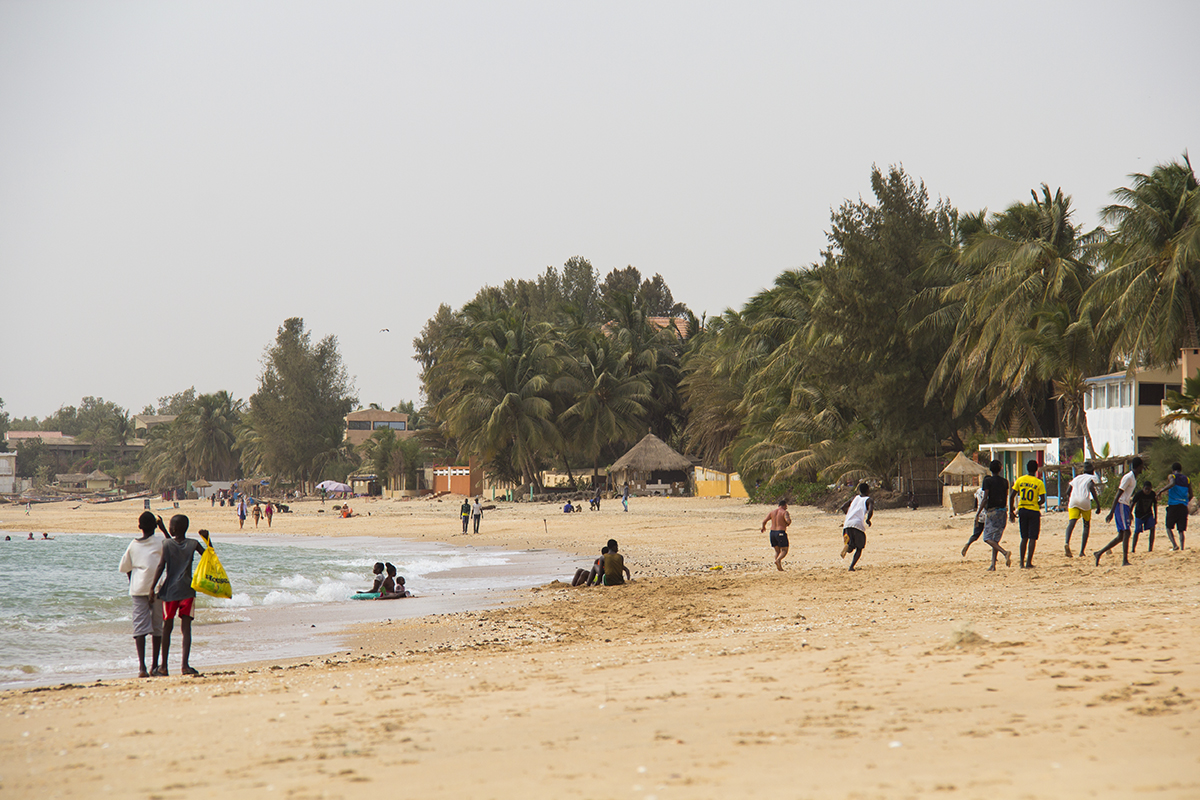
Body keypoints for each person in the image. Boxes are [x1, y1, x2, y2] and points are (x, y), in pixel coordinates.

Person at [152, 516, 206, 676]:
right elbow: (210, 557)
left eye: (170, 526)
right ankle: (184, 665)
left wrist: (151, 588)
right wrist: (207, 539)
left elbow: (161, 566)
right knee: (186, 629)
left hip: (169, 592)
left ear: (173, 528)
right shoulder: (193, 544)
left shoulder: (166, 544)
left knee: (166, 628)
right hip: (188, 591)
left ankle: (164, 666)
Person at [119, 511, 167, 678]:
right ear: (155, 526)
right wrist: (164, 528)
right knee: (156, 628)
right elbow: (174, 545)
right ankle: (154, 666)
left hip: (138, 590)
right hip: (158, 589)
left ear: (139, 527)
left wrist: (133, 582)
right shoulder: (161, 541)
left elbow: (126, 568)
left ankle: (142, 667)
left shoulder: (133, 545)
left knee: (140, 627)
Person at [1097, 457, 1143, 566]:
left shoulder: (1133, 478)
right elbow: (1118, 494)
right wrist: (1112, 512)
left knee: (1121, 536)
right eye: (1141, 466)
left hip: (1125, 506)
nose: (1142, 468)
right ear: (1138, 466)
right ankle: (1125, 560)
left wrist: (1129, 511)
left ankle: (1099, 553)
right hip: (1121, 505)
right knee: (1126, 532)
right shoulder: (1128, 477)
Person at [1009, 459, 1046, 569]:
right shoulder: (1039, 482)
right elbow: (1043, 499)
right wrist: (1036, 503)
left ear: (1026, 468)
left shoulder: (1020, 480)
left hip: (1022, 510)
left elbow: (1012, 496)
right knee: (1032, 538)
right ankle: (1028, 562)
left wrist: (1011, 511)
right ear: (1036, 469)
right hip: (1033, 511)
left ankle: (1021, 562)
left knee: (1024, 537)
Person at [979, 460, 1012, 571]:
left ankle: (1004, 552)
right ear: (1000, 468)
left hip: (992, 512)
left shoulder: (987, 481)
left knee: (987, 538)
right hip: (1003, 511)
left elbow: (985, 498)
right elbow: (1006, 497)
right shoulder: (1005, 481)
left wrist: (978, 512)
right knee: (995, 540)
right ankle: (993, 564)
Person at [1064, 462, 1101, 558]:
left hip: (1073, 501)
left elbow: (1068, 491)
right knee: (1086, 525)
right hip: (1084, 500)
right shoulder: (1092, 477)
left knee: (1071, 522)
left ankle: (1067, 542)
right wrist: (1097, 504)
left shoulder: (1076, 478)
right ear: (1092, 471)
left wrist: (1071, 498)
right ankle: (1082, 552)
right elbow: (1091, 487)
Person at [839, 483, 873, 571]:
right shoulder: (868, 499)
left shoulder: (854, 498)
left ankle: (847, 547)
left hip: (847, 524)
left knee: (851, 546)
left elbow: (843, 507)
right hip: (857, 524)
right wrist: (868, 520)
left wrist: (850, 515)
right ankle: (851, 567)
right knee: (859, 547)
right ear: (867, 490)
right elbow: (870, 510)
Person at [1156, 462, 1189, 550]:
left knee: (1168, 527)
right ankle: (1182, 547)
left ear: (1173, 470)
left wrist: (1161, 491)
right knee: (1181, 529)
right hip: (1183, 505)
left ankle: (1174, 545)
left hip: (1173, 505)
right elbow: (1191, 494)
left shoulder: (1172, 476)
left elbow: (1172, 483)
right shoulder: (1187, 479)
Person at [761, 498, 792, 571]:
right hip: (780, 532)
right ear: (784, 505)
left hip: (772, 533)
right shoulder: (784, 512)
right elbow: (788, 520)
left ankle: (779, 567)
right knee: (784, 550)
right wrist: (787, 523)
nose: (786, 508)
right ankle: (778, 560)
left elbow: (764, 521)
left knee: (777, 551)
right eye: (786, 506)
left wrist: (763, 528)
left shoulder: (772, 512)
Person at [961, 484, 989, 557]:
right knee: (992, 537)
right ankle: (995, 556)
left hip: (979, 514)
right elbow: (986, 501)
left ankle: (968, 544)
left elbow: (975, 504)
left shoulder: (978, 491)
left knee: (976, 534)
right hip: (988, 514)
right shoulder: (988, 491)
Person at [1131, 481, 1158, 552]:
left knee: (1152, 528)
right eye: (1146, 489)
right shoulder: (1139, 494)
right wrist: (1129, 513)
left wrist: (1156, 516)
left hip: (1148, 514)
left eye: (1149, 489)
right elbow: (1133, 503)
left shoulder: (1152, 494)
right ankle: (1133, 549)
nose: (1147, 491)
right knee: (1137, 531)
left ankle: (1150, 548)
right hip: (1139, 515)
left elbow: (1155, 505)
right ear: (1143, 488)